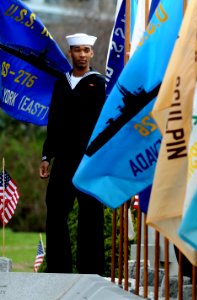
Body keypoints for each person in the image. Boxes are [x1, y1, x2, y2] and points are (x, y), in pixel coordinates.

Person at [39, 33, 106, 274]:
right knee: (56, 211)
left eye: (86, 50)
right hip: (64, 160)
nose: (82, 55)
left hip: (89, 160)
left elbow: (101, 123)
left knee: (90, 214)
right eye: (78, 50)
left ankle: (92, 269)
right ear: (70, 53)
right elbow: (54, 121)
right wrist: (47, 156)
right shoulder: (61, 83)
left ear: (92, 53)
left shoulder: (98, 83)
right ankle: (58, 269)